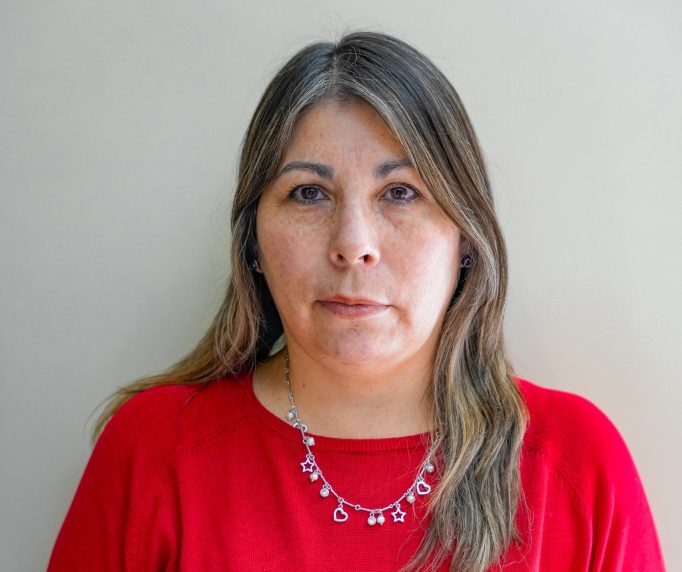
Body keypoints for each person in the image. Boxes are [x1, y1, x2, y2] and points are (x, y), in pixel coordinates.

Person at [46, 30, 666, 572]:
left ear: (464, 241)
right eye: (308, 194)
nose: (353, 246)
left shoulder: (575, 465)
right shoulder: (154, 451)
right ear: (252, 243)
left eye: (401, 192)